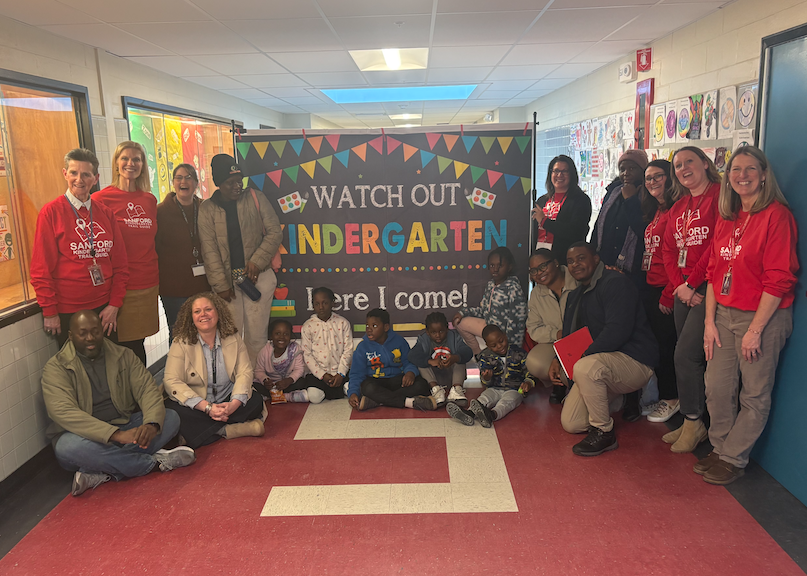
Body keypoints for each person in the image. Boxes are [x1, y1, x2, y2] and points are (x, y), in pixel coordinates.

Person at [699, 146, 798, 485]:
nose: (742, 175)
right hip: (724, 314)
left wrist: (756, 329)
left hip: (763, 318)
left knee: (753, 392)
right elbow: (714, 274)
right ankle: (720, 445)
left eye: (750, 169)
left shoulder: (777, 216)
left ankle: (733, 456)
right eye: (735, 169)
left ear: (764, 175)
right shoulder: (729, 217)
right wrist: (709, 323)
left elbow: (780, 278)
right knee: (716, 386)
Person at [42, 310, 195, 497]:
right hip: (87, 438)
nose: (90, 338)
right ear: (71, 336)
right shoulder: (56, 368)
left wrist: (151, 424)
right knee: (66, 447)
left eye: (95, 331)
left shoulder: (123, 355)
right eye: (83, 333)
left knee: (170, 418)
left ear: (102, 331)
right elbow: (63, 412)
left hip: (125, 425)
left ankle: (101, 471)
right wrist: (115, 435)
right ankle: (152, 464)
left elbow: (147, 389)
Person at [549, 242, 658, 457]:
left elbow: (617, 331)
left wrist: (581, 359)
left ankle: (604, 432)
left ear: (596, 258)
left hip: (635, 360)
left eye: (581, 258)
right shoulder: (574, 296)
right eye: (570, 261)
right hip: (602, 364)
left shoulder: (615, 283)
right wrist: (558, 359)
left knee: (585, 367)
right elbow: (571, 336)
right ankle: (620, 399)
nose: (575, 265)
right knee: (572, 423)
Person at [31, 148, 129, 347]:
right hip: (69, 310)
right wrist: (49, 311)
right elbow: (40, 269)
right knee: (77, 371)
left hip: (105, 309)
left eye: (86, 174)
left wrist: (114, 304)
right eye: (74, 173)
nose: (79, 179)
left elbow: (121, 266)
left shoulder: (106, 214)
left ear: (96, 178)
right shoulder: (51, 213)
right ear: (65, 173)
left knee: (109, 366)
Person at [661, 146, 721, 453]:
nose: (684, 169)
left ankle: (696, 421)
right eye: (678, 165)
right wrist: (679, 286)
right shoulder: (679, 206)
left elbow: (717, 244)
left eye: (689, 162)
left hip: (707, 290)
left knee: (686, 356)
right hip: (684, 291)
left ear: (706, 164)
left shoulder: (721, 197)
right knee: (686, 356)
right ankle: (690, 421)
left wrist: (693, 283)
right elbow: (669, 250)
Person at [198, 154, 283, 364]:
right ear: (218, 183)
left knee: (257, 335)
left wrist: (256, 261)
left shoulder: (255, 197)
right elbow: (209, 250)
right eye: (230, 183)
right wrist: (220, 285)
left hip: (258, 278)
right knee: (230, 336)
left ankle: (256, 380)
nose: (237, 186)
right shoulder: (207, 209)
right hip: (227, 284)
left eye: (240, 181)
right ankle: (236, 381)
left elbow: (274, 232)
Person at [163, 292, 267, 449]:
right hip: (199, 405)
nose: (203, 315)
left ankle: (198, 433)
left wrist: (233, 404)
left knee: (255, 400)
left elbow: (244, 372)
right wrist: (207, 407)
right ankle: (229, 430)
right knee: (171, 411)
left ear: (218, 311)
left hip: (227, 400)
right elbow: (171, 381)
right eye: (197, 311)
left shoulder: (233, 337)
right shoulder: (180, 343)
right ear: (191, 317)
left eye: (208, 309)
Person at [94, 141, 158, 366]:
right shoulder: (100, 200)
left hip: (147, 282)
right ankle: (127, 397)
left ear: (142, 165)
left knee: (137, 343)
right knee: (120, 347)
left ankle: (140, 394)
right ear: (116, 163)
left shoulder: (149, 200)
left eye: (137, 159)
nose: (131, 163)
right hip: (119, 285)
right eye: (125, 158)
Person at [641, 160, 680, 423]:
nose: (652, 182)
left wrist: (669, 291)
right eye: (649, 178)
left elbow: (678, 257)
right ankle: (662, 395)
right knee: (657, 345)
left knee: (668, 348)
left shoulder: (677, 211)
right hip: (651, 285)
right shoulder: (657, 210)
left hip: (669, 289)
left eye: (658, 176)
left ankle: (672, 398)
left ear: (670, 178)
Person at [155, 164, 210, 341]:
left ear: (196, 183)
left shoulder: (205, 209)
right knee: (179, 335)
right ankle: (178, 370)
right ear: (173, 183)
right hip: (174, 288)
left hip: (203, 285)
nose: (183, 181)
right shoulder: (160, 212)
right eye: (179, 177)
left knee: (204, 333)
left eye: (188, 177)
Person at [453, 246, 526, 372]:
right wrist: (462, 312)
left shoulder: (513, 288)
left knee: (502, 358)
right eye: (492, 265)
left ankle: (497, 358)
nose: (495, 269)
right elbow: (483, 311)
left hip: (503, 334)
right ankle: (479, 356)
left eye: (500, 265)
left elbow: (517, 322)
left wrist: (511, 348)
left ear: (509, 267)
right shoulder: (490, 284)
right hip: (489, 326)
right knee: (460, 323)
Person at [347, 308, 436, 411]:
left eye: (374, 326)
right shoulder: (362, 347)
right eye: (367, 325)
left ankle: (378, 401)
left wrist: (410, 373)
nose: (369, 329)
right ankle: (409, 402)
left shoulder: (399, 341)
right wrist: (353, 393)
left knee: (422, 385)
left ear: (386, 327)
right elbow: (356, 374)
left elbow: (409, 361)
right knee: (367, 388)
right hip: (376, 381)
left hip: (397, 380)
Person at [447, 324, 534, 428]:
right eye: (493, 345)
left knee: (506, 403)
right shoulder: (485, 357)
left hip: (515, 389)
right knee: (484, 398)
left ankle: (491, 415)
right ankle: (469, 413)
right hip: (494, 388)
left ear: (505, 336)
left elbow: (530, 371)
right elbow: (484, 381)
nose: (499, 346)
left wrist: (528, 382)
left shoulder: (519, 353)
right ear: (487, 345)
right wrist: (486, 378)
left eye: (501, 341)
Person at [592, 149, 656, 287]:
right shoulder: (613, 192)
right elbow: (599, 226)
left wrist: (630, 199)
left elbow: (643, 230)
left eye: (632, 168)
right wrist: (594, 255)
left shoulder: (650, 195)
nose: (626, 173)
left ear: (643, 170)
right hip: (605, 264)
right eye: (622, 169)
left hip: (633, 268)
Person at [524, 248, 577, 403]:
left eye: (542, 267)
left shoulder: (577, 280)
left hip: (582, 342)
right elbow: (534, 329)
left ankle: (575, 388)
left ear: (555, 263)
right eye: (533, 271)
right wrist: (556, 334)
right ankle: (559, 384)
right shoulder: (536, 293)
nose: (539, 273)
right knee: (534, 362)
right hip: (556, 343)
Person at [532, 155, 592, 261]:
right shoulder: (542, 200)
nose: (559, 175)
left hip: (566, 261)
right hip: (541, 259)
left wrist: (545, 221)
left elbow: (576, 232)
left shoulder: (581, 200)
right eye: (556, 171)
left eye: (565, 171)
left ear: (571, 174)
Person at [408, 311, 473, 407]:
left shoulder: (454, 337)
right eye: (433, 332)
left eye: (441, 331)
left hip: (452, 377)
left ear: (447, 329)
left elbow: (468, 352)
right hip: (433, 379)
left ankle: (456, 391)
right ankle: (437, 392)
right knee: (422, 363)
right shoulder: (423, 339)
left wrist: (454, 358)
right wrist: (429, 361)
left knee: (460, 359)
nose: (438, 335)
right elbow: (412, 355)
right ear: (427, 332)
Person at [254, 319, 324, 404]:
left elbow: (299, 369)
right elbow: (259, 371)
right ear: (271, 336)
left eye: (286, 334)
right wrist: (265, 380)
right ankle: (287, 396)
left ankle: (275, 396)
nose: (282, 337)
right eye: (277, 333)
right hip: (271, 385)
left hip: (288, 384)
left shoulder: (295, 349)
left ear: (290, 336)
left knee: (302, 382)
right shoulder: (265, 351)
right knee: (255, 384)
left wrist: (289, 380)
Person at [299, 287, 351, 401]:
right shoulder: (308, 326)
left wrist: (341, 374)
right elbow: (307, 354)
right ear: (313, 305)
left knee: (352, 388)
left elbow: (348, 350)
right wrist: (323, 375)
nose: (321, 307)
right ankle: (327, 391)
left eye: (325, 303)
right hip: (319, 375)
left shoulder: (343, 323)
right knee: (314, 397)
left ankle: (340, 387)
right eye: (317, 304)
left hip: (340, 373)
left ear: (333, 303)